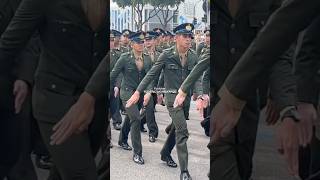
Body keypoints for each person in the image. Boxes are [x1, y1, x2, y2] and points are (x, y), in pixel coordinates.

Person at [0, 0, 108, 179]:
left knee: (63, 172)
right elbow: (10, 43)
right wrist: (23, 77)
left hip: (97, 104)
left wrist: (92, 95)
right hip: (55, 99)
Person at [212, 0, 320, 178]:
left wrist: (287, 108)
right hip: (213, 115)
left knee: (244, 171)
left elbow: (279, 48)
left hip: (246, 117)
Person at [126, 23, 198, 180]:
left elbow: (197, 75)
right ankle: (184, 171)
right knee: (182, 130)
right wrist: (140, 92)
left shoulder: (193, 55)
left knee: (177, 128)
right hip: (172, 98)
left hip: (185, 101)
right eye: (185, 36)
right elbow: (152, 74)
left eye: (190, 37)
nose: (188, 40)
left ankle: (165, 153)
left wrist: (201, 94)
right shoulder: (166, 54)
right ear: (177, 38)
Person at [111, 31, 154, 164]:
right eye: (138, 42)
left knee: (130, 118)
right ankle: (137, 153)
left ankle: (122, 140)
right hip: (127, 93)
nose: (141, 44)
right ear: (132, 43)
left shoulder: (147, 58)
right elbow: (113, 74)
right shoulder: (125, 57)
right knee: (136, 118)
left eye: (142, 42)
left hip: (140, 95)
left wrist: (148, 92)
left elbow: (150, 77)